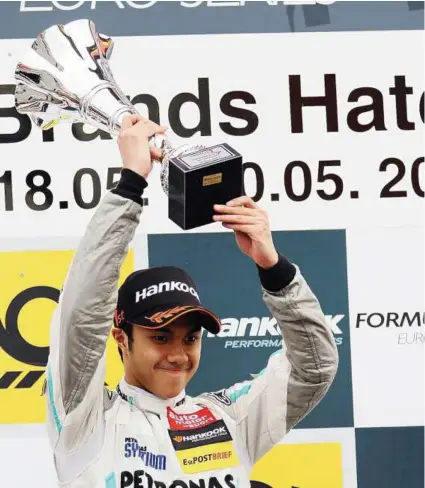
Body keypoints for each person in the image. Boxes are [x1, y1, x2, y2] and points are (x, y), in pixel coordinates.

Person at [45, 114, 339, 488]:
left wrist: (274, 268)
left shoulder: (228, 417)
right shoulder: (84, 419)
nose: (178, 354)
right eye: (160, 336)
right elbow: (82, 317)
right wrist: (131, 186)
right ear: (122, 338)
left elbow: (313, 371)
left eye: (190, 337)